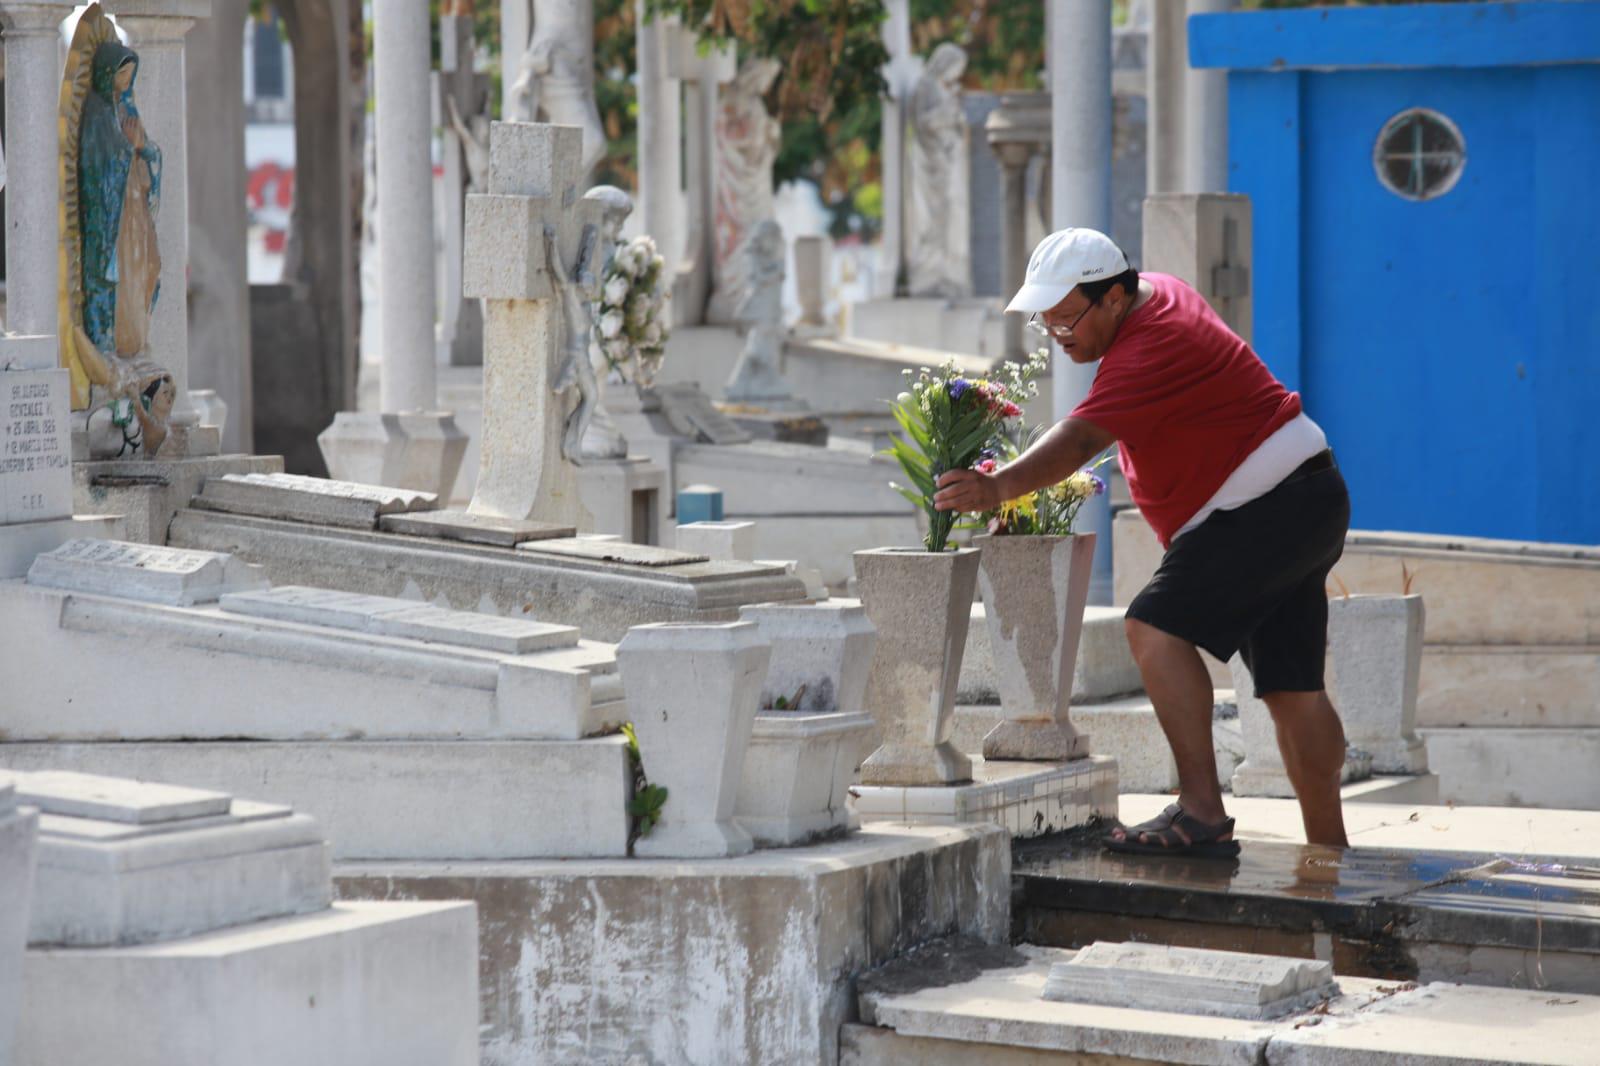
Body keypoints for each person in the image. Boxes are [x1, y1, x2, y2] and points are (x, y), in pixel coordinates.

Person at [934, 228, 1352, 857]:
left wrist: (999, 491)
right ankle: (1332, 850)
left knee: (1153, 626)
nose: (1060, 335)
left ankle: (1201, 814)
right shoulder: (1161, 295)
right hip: (1303, 492)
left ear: (1115, 297)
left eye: (1069, 318)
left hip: (1261, 503)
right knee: (1293, 689)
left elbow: (1079, 443)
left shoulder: (1150, 343)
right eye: (1046, 323)